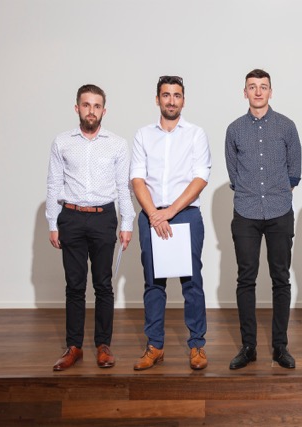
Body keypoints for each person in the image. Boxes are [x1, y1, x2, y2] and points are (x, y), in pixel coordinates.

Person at [46, 84, 135, 371]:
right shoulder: (62, 142)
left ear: (103, 111)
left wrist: (127, 222)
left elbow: (124, 187)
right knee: (74, 286)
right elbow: (54, 183)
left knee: (103, 284)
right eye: (86, 105)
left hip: (103, 218)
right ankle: (73, 346)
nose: (91, 111)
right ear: (77, 108)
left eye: (97, 106)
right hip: (71, 217)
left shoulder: (117, 144)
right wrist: (52, 222)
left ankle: (103, 346)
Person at [130, 75, 212, 371]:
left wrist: (171, 212)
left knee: (192, 282)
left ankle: (197, 345)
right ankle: (155, 346)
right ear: (157, 99)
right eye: (166, 95)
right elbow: (137, 178)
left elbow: (200, 177)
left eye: (177, 95)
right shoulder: (143, 135)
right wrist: (154, 213)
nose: (171, 100)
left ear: (183, 100)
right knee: (154, 283)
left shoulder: (196, 134)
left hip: (186, 214)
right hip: (151, 214)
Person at [225, 69, 302, 369]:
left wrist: (276, 192)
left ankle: (280, 347)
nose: (258, 92)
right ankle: (248, 347)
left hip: (279, 211)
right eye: (252, 87)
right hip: (245, 212)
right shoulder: (234, 129)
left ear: (271, 91)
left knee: (280, 278)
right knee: (246, 279)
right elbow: (234, 174)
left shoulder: (287, 126)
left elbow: (294, 171)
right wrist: (252, 193)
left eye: (263, 87)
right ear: (244, 92)